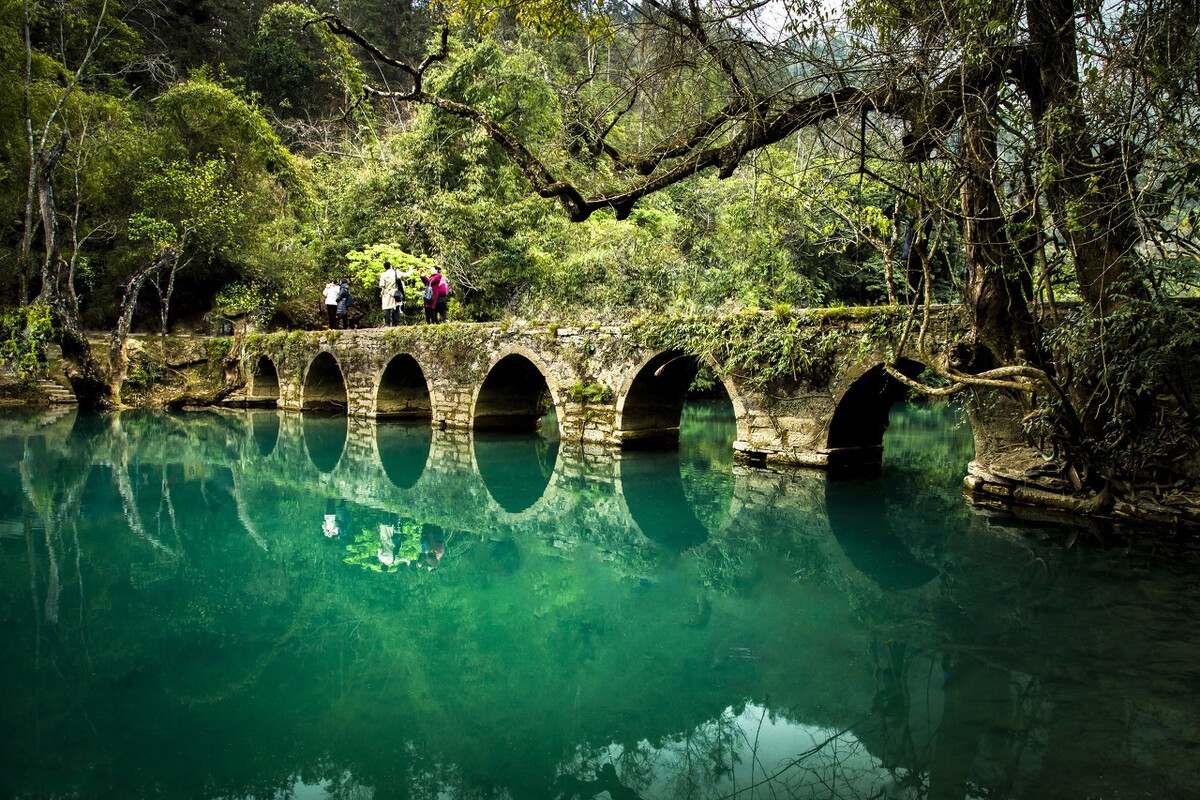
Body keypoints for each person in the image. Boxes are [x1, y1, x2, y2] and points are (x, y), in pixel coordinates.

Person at [378, 261, 403, 327]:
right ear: (391, 266)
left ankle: (387, 324)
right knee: (397, 307)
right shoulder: (396, 272)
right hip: (395, 292)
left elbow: (381, 285)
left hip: (387, 293)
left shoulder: (383, 275)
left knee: (387, 308)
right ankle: (397, 323)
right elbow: (405, 275)